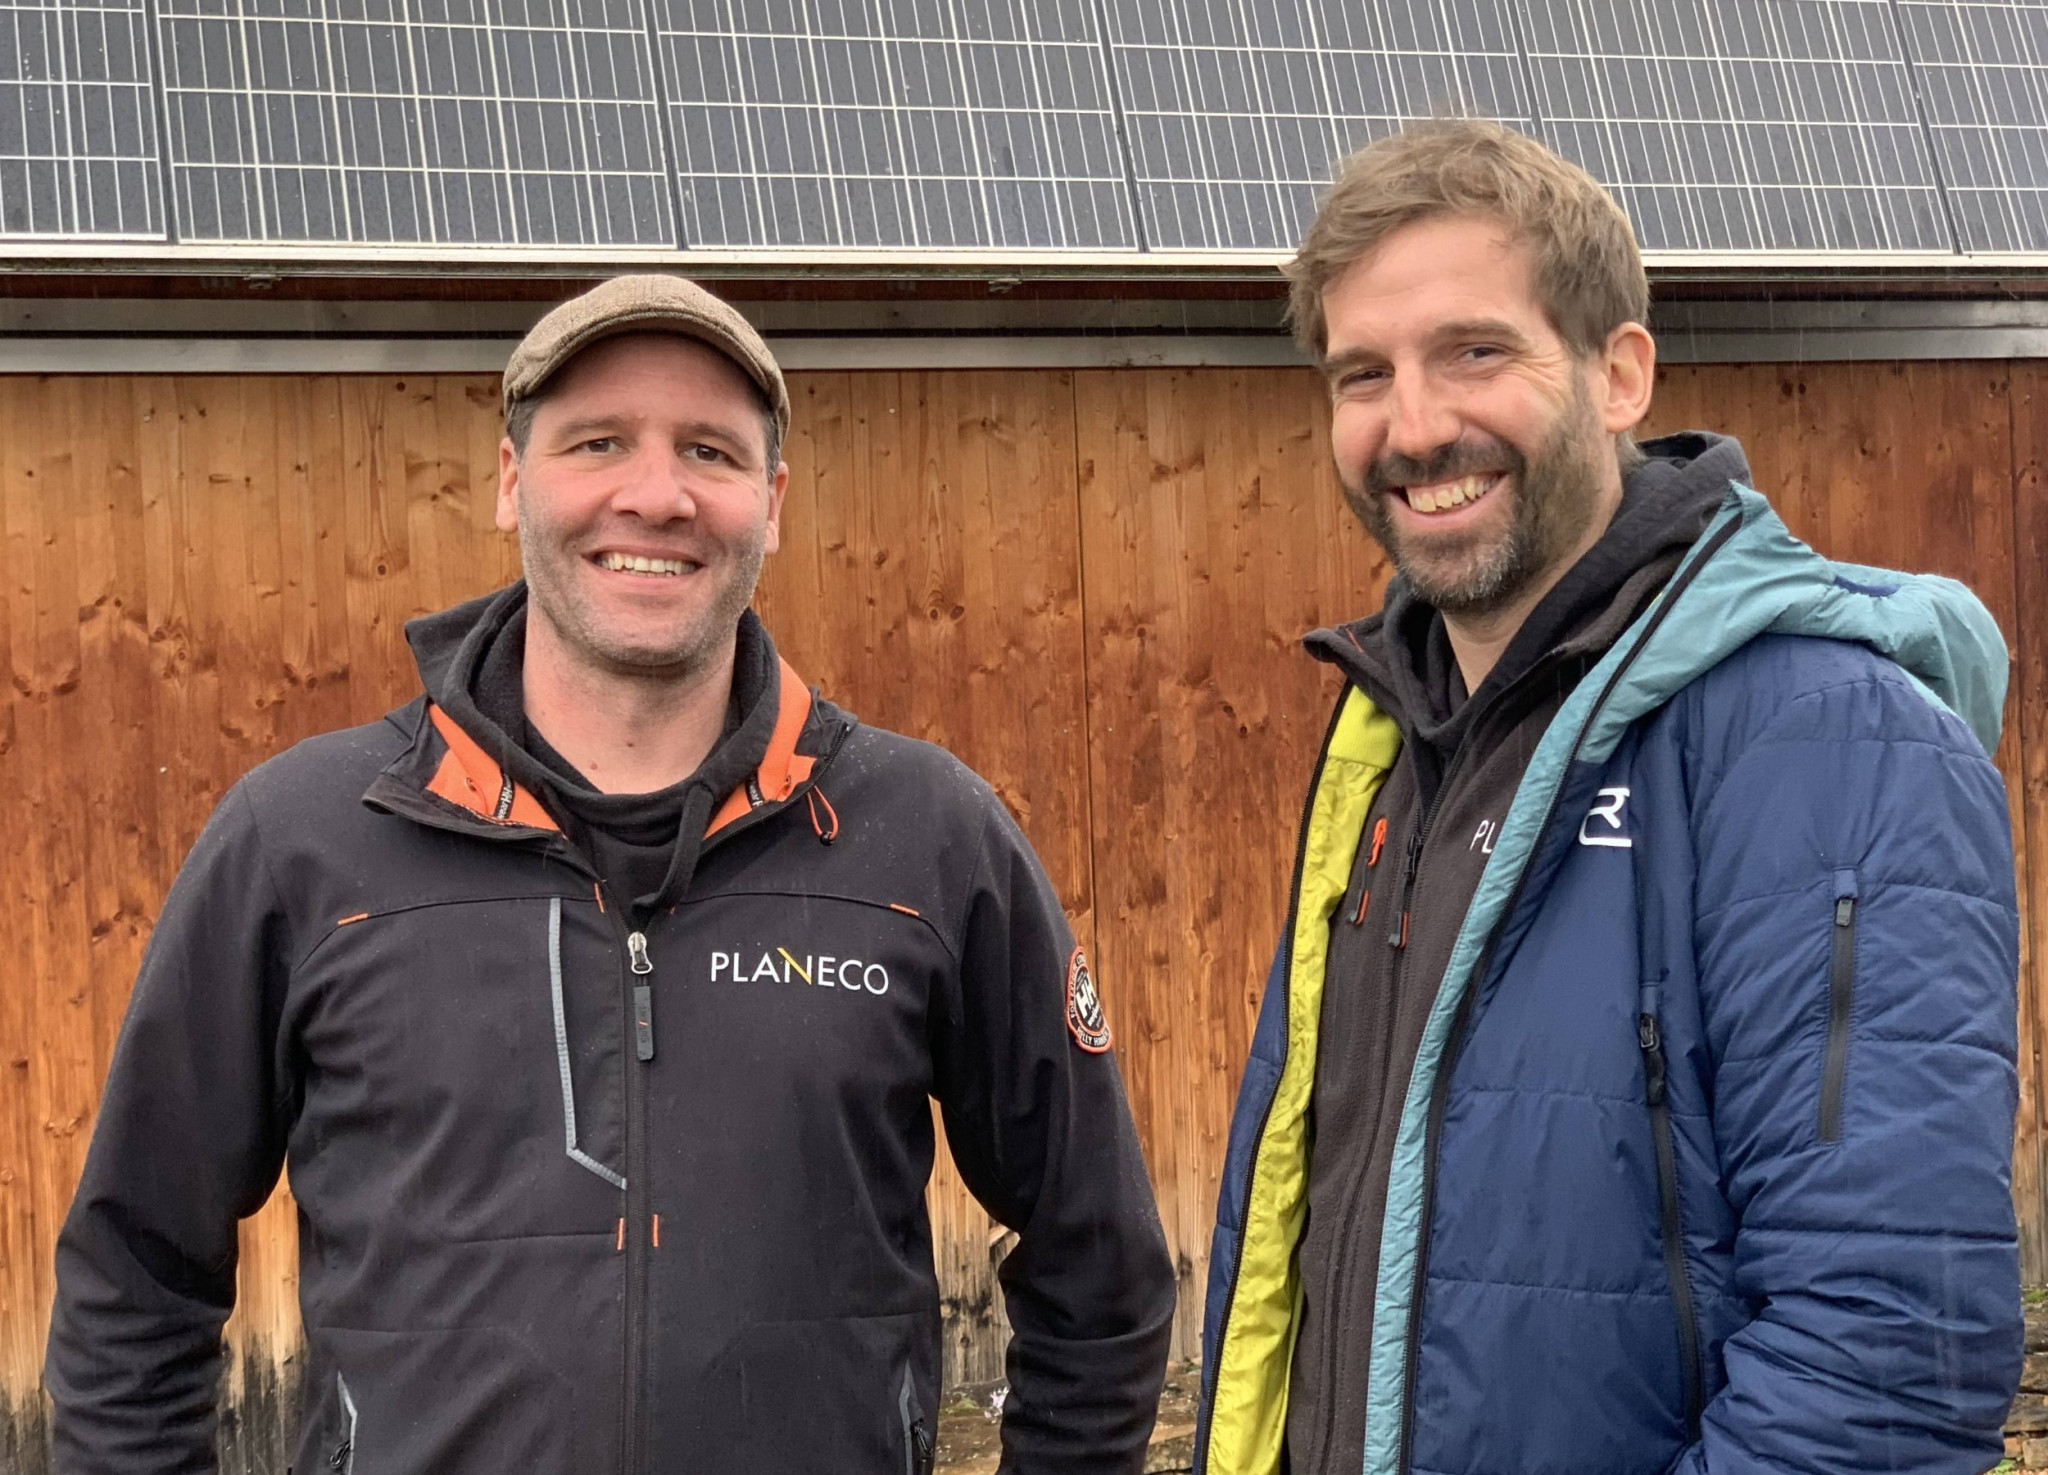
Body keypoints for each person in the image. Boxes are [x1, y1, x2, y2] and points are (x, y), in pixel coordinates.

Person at [47, 275, 1176, 1474]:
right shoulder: (302, 841)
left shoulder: (925, 840)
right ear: (510, 480)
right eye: (597, 442)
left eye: (708, 450)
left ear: (771, 503)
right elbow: (133, 1274)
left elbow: (1098, 1266)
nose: (656, 494)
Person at [1195, 120, 2022, 1475]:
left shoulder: (1826, 740)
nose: (1415, 426)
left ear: (1619, 372)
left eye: (1475, 351)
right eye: (1363, 374)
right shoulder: (1390, 743)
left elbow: (1881, 1362)